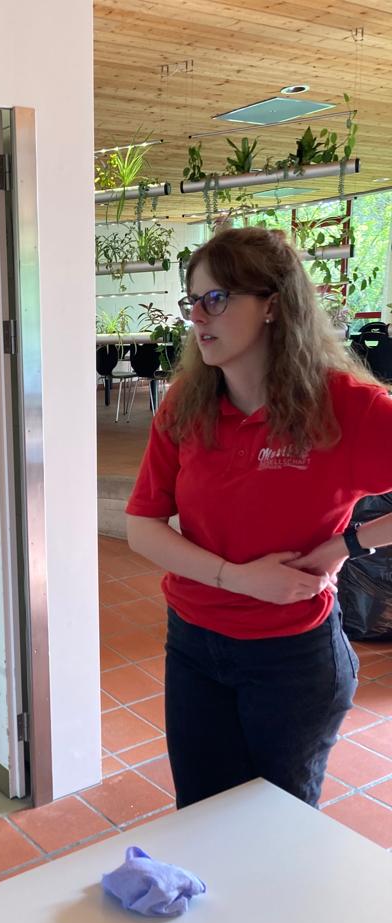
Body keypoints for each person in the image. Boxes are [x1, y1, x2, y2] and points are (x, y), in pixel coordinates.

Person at [125, 227, 392, 810]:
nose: (198, 316)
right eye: (192, 301)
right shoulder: (186, 404)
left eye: (216, 298)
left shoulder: (347, 406)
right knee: (201, 816)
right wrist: (236, 578)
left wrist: (346, 544)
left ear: (273, 304)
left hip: (292, 657)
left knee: (276, 827)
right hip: (193, 644)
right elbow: (142, 526)